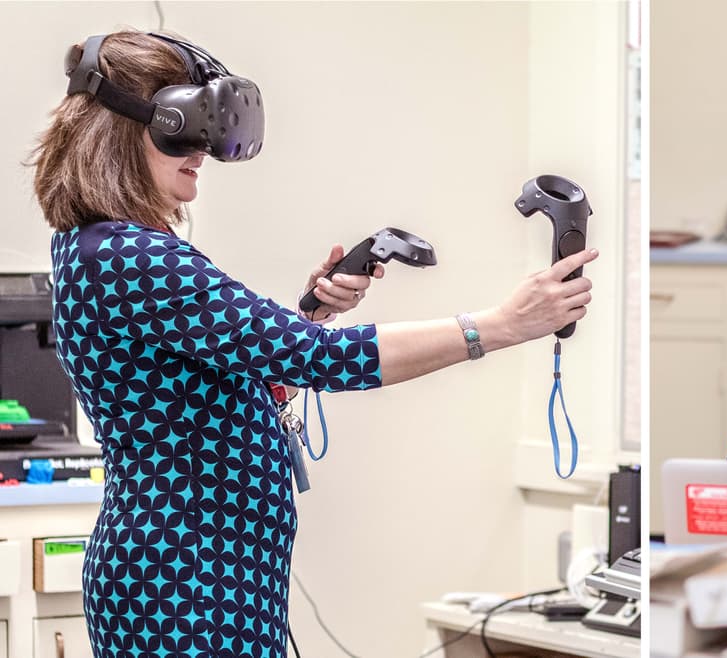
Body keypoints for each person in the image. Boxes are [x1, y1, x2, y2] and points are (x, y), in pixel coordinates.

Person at [31, 31, 596, 657]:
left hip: (206, 576)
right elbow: (326, 361)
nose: (201, 154)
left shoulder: (101, 248)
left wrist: (311, 314)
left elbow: (228, 368)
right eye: (182, 134)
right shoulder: (132, 255)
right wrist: (502, 325)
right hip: (185, 584)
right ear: (123, 132)